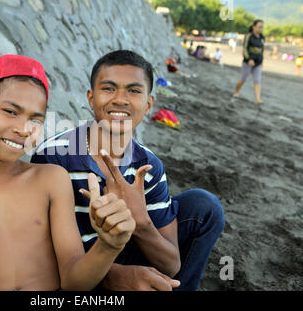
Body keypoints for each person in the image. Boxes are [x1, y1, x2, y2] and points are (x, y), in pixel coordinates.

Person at [0, 54, 137, 291]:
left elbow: (73, 281)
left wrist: (108, 246)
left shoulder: (51, 179)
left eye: (35, 119)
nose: (24, 130)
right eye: (11, 112)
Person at [31, 50, 225, 291]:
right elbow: (34, 246)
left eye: (133, 91)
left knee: (204, 206)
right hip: (73, 269)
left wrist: (140, 219)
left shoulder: (149, 167)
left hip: (124, 252)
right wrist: (114, 275)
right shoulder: (55, 156)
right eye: (109, 88)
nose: (120, 99)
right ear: (91, 99)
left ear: (148, 104)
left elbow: (172, 264)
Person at [233, 20, 265, 104]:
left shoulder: (262, 37)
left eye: (262, 27)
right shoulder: (249, 36)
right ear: (254, 27)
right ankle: (236, 92)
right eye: (259, 26)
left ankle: (257, 99)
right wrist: (249, 59)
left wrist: (262, 61)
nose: (260, 29)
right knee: (243, 78)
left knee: (257, 80)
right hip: (248, 62)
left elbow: (262, 50)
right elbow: (245, 49)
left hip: (257, 63)